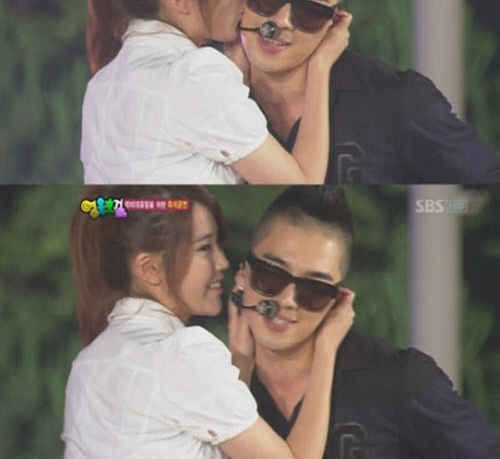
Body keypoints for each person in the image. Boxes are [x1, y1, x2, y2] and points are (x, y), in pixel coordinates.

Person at [62, 185, 355, 458]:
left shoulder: (89, 361)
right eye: (205, 248)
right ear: (150, 269)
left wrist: (241, 361)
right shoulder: (182, 353)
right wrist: (326, 347)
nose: (222, 262)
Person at [78, 0, 351, 185]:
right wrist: (320, 65)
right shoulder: (196, 76)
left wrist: (235, 81)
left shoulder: (101, 86)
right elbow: (303, 182)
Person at [230, 186, 500, 458]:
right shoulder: (215, 380)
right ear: (242, 274)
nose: (288, 300)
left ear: (338, 300)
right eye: (271, 274)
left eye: (315, 289)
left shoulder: (399, 379)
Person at [234, 0, 500, 184]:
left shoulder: (397, 101)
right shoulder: (208, 82)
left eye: (310, 10)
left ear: (335, 20)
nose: (282, 21)